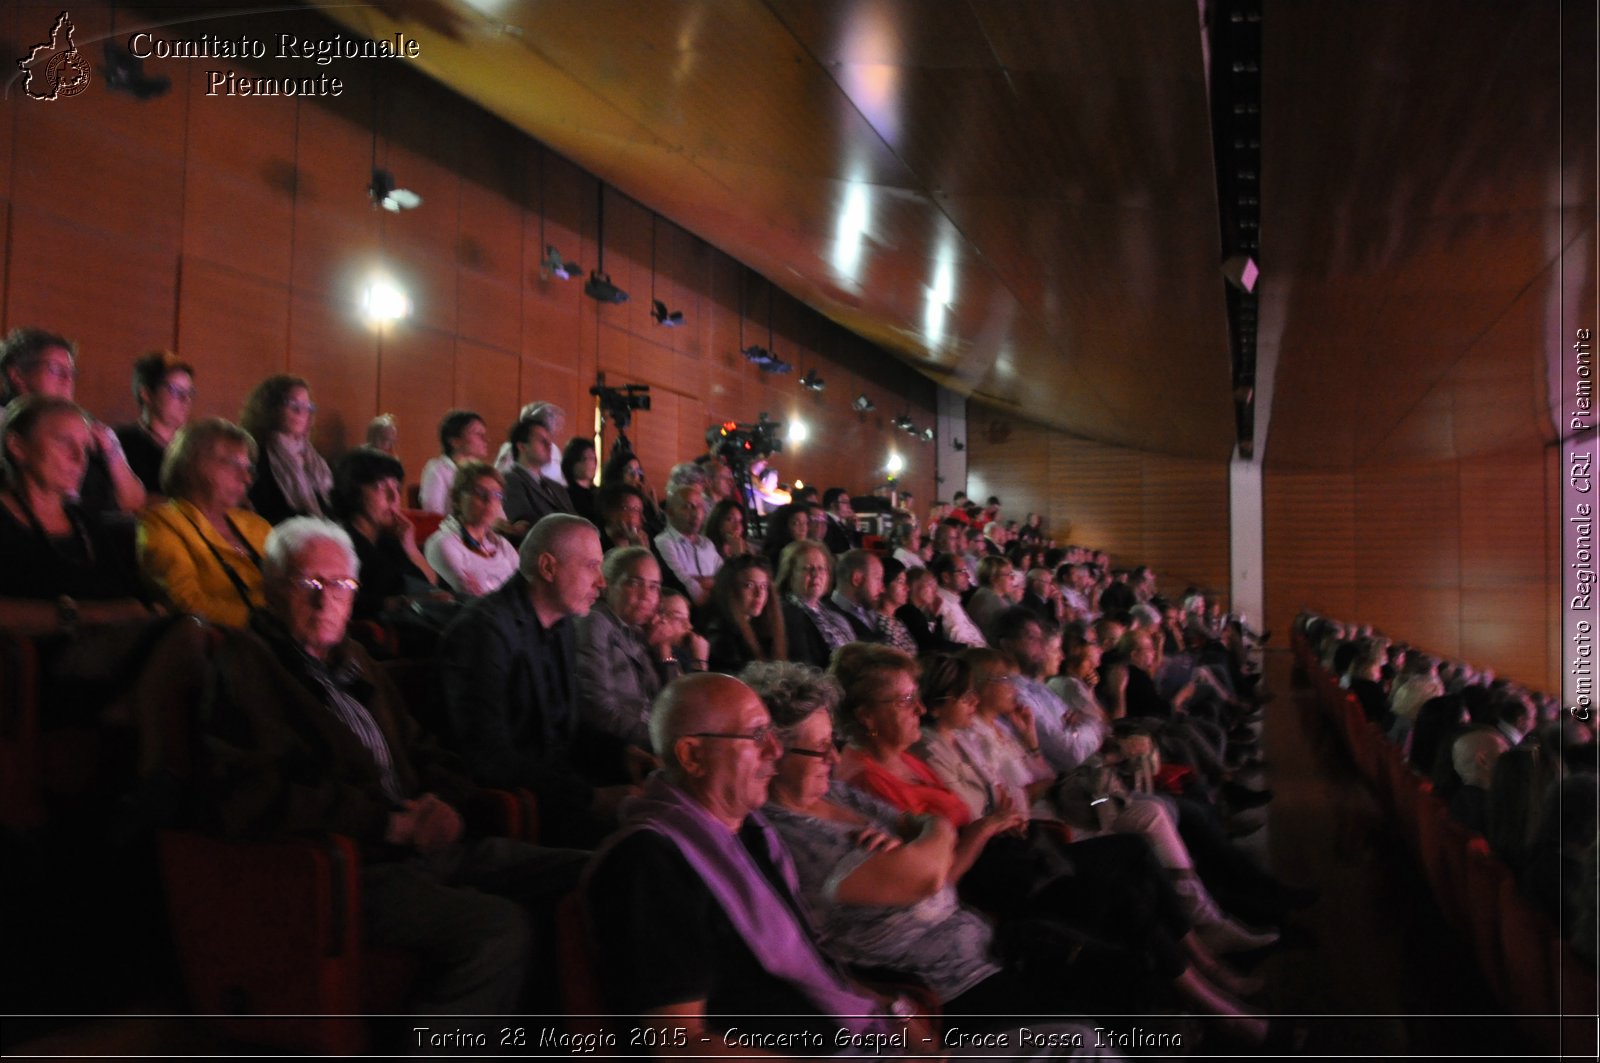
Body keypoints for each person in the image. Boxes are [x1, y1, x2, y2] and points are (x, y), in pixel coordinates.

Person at [195, 516, 588, 1015]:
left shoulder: (355, 658)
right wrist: (389, 824)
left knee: (592, 869)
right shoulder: (246, 666)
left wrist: (447, 802)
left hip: (425, 844)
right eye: (308, 583)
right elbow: (254, 793)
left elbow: (420, 747)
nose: (325, 598)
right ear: (271, 590)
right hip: (355, 865)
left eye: (340, 585)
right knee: (499, 928)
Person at [582, 672, 940, 1051]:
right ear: (692, 755)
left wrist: (896, 1013)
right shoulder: (647, 861)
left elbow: (815, 969)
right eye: (756, 736)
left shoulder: (754, 836)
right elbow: (678, 1044)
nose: (775, 751)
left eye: (772, 734)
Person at [439, 513, 631, 846]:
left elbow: (565, 730)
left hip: (561, 788)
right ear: (547, 567)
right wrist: (592, 799)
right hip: (521, 811)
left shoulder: (561, 624)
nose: (602, 582)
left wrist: (622, 754)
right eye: (591, 566)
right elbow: (489, 758)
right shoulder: (482, 632)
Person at [136, 419, 273, 628]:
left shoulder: (256, 524)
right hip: (227, 645)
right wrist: (264, 622)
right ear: (195, 466)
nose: (247, 478)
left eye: (249, 468)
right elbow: (185, 604)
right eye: (234, 465)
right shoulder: (162, 524)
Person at [0, 327, 146, 519]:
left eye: (71, 372)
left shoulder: (90, 426)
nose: (67, 379)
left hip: (93, 530)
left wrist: (112, 453)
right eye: (55, 369)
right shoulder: (6, 424)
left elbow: (134, 502)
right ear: (17, 375)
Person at [575, 547, 687, 779]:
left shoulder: (640, 629)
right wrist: (665, 739)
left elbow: (678, 698)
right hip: (620, 752)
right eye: (634, 583)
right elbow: (599, 711)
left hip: (656, 740)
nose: (646, 595)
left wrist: (663, 649)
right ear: (608, 584)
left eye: (654, 587)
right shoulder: (595, 622)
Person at [332, 448, 442, 623]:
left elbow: (431, 584)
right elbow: (344, 599)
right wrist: (396, 603)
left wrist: (410, 547)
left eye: (397, 488)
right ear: (353, 491)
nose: (394, 497)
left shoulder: (389, 539)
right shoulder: (338, 542)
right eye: (380, 487)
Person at [239, 374, 331, 524]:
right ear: (271, 407)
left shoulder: (312, 456)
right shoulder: (256, 453)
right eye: (294, 405)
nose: (302, 413)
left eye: (308, 407)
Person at [423, 462, 518, 597]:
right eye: (480, 493)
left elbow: (526, 594)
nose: (489, 501)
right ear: (457, 499)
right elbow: (476, 599)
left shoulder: (503, 545)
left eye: (497, 495)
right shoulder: (443, 543)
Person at [115, 350, 195, 498]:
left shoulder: (194, 449)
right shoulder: (122, 443)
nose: (185, 400)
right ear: (146, 394)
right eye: (176, 391)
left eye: (189, 393)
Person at [701, 554, 786, 673]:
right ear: (730, 589)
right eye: (749, 585)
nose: (759, 594)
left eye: (764, 586)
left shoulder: (763, 626)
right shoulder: (720, 633)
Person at [776, 539, 850, 667]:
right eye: (808, 568)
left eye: (821, 568)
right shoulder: (786, 614)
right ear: (790, 574)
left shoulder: (832, 611)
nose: (816, 574)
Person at [501, 412, 574, 542]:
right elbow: (524, 524)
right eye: (542, 441)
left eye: (549, 441)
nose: (549, 446)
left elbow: (575, 519)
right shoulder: (510, 480)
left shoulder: (556, 487)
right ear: (522, 447)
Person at [653, 471, 720, 607]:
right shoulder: (664, 542)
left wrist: (701, 581)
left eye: (699, 507)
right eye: (688, 506)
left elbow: (725, 577)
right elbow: (682, 582)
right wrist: (712, 582)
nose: (696, 513)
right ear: (670, 512)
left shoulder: (707, 543)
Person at [418, 410, 490, 515]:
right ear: (454, 441)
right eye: (478, 434)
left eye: (484, 434)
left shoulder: (482, 470)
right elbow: (433, 515)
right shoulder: (437, 470)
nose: (485, 439)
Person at [595, 481, 651, 552]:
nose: (643, 519)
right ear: (609, 511)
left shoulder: (643, 541)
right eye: (634, 510)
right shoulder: (596, 545)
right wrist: (638, 553)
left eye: (640, 511)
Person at [561, 436, 600, 526]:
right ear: (573, 462)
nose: (592, 464)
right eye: (586, 458)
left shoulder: (599, 493)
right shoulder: (565, 495)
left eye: (593, 458)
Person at [704, 497, 753, 561]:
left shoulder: (751, 550)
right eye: (730, 519)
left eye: (740, 521)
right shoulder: (707, 551)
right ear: (718, 521)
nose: (737, 527)